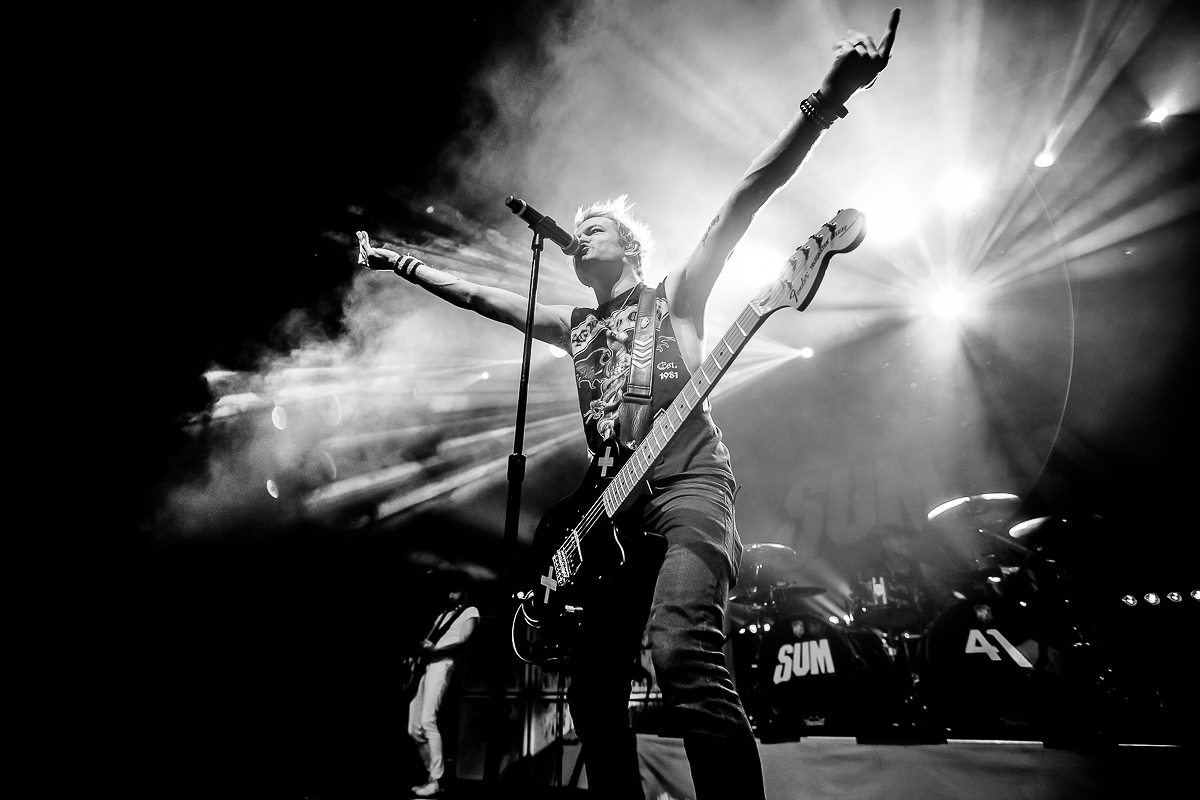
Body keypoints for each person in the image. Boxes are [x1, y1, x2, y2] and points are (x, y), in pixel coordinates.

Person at [365, 11, 900, 798]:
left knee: (681, 654)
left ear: (630, 248)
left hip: (688, 485)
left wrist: (828, 96)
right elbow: (482, 297)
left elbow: (742, 200)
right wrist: (401, 264)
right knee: (591, 697)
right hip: (612, 515)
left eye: (595, 228)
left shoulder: (673, 297)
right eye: (579, 231)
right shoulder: (574, 326)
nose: (580, 236)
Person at [407, 574, 479, 797]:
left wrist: (436, 650)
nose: (450, 595)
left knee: (427, 720)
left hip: (443, 664)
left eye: (454, 591)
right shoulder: (442, 616)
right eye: (449, 591)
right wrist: (416, 658)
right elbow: (429, 642)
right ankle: (434, 776)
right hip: (428, 665)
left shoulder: (470, 611)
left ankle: (437, 780)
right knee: (413, 728)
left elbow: (463, 641)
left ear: (464, 591)